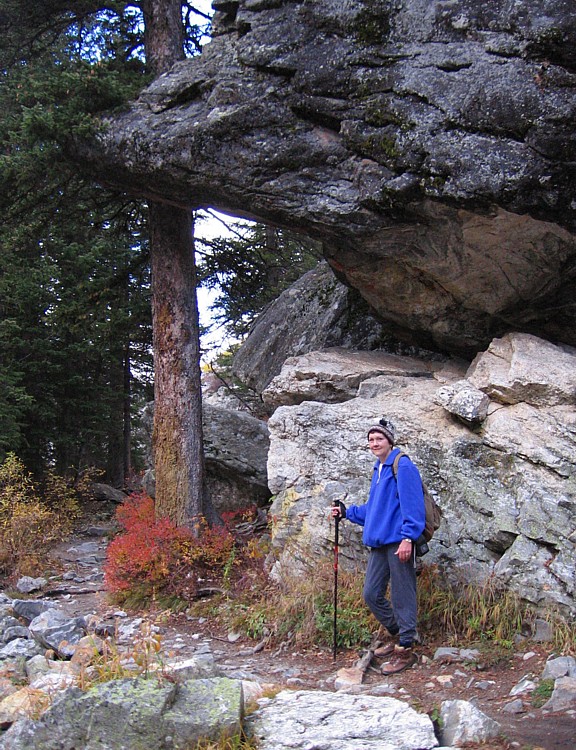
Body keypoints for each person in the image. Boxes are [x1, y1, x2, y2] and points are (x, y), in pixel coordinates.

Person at [332, 417, 425, 674]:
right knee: (371, 594)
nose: (374, 443)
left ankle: (406, 648)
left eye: (379, 439)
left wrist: (408, 538)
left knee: (402, 594)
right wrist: (346, 512)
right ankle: (401, 634)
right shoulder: (380, 468)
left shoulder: (401, 465)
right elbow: (375, 509)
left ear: (389, 441)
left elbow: (413, 505)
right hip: (379, 541)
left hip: (398, 541)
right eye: (371, 439)